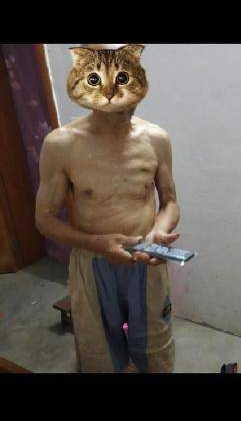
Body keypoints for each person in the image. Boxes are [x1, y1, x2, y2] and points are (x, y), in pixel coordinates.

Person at [35, 44, 180, 373]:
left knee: (155, 350)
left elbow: (170, 201)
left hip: (146, 260)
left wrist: (159, 231)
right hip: (94, 263)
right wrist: (97, 243)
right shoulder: (61, 144)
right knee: (99, 352)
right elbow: (44, 219)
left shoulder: (156, 139)